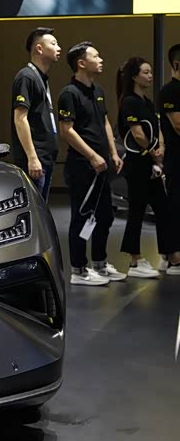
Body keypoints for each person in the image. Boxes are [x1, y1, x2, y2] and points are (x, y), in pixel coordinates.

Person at [57, 42, 126, 286]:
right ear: (81, 63)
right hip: (82, 167)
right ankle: (78, 270)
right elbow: (67, 130)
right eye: (95, 56)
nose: (101, 59)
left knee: (105, 216)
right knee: (82, 217)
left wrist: (112, 152)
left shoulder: (98, 90)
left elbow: (105, 122)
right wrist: (92, 156)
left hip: (102, 166)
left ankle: (100, 263)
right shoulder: (69, 94)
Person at [116, 57, 171, 278]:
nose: (150, 76)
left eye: (150, 72)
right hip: (138, 166)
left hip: (152, 165)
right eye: (145, 72)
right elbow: (138, 134)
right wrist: (152, 151)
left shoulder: (147, 102)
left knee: (163, 209)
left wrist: (161, 149)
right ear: (134, 76)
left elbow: (157, 128)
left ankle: (169, 255)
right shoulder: (129, 102)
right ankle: (135, 260)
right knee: (136, 212)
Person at [11, 27, 62, 203]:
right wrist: (32, 158)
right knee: (34, 211)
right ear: (39, 49)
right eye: (53, 44)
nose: (59, 48)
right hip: (35, 159)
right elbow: (20, 118)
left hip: (45, 158)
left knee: (41, 208)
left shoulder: (40, 78)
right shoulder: (26, 77)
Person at [157, 44, 180, 275]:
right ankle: (174, 258)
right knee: (175, 206)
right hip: (176, 159)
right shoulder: (171, 91)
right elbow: (178, 124)